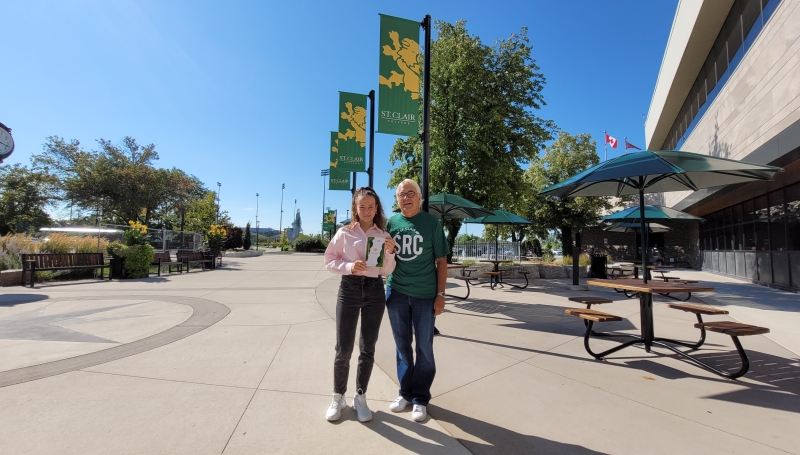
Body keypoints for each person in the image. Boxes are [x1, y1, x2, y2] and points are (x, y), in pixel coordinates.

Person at [323, 187, 396, 423]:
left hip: (375, 290)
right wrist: (348, 267)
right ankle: (338, 396)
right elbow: (329, 260)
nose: (366, 210)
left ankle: (360, 397)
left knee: (368, 348)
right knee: (343, 348)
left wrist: (391, 253)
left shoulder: (382, 235)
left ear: (377, 209)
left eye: (370, 206)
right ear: (355, 208)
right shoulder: (344, 232)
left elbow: (385, 270)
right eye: (361, 206)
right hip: (349, 290)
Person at [385, 179, 448, 422]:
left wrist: (441, 295)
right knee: (402, 347)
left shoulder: (432, 223)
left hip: (425, 295)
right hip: (396, 292)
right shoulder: (391, 222)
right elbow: (380, 254)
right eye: (402, 194)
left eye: (411, 193)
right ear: (398, 199)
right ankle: (404, 393)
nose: (406, 197)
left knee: (424, 347)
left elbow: (441, 261)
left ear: (419, 197)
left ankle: (420, 398)